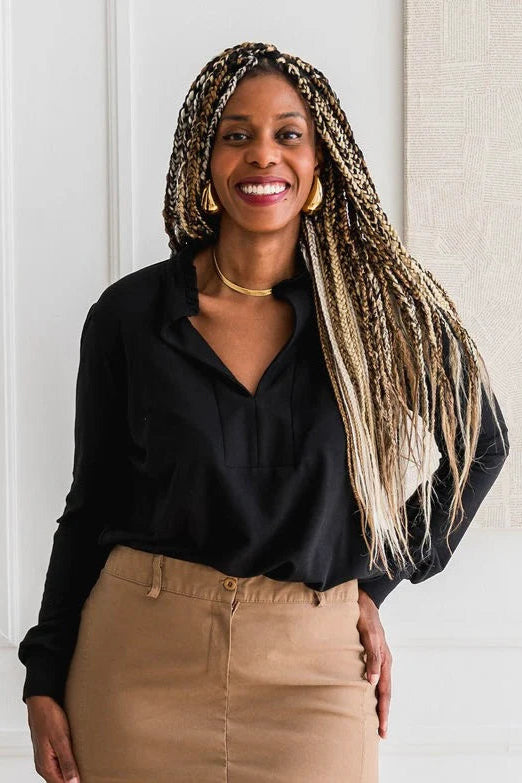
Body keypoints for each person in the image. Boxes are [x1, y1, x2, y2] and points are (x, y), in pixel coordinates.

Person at [18, 41, 509, 783]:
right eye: (236, 135)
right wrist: (44, 676)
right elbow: (91, 503)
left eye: (288, 134)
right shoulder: (129, 317)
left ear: (319, 162)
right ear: (205, 160)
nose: (262, 155)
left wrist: (370, 583)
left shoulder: (368, 321)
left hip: (312, 680)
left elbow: (481, 442)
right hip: (138, 668)